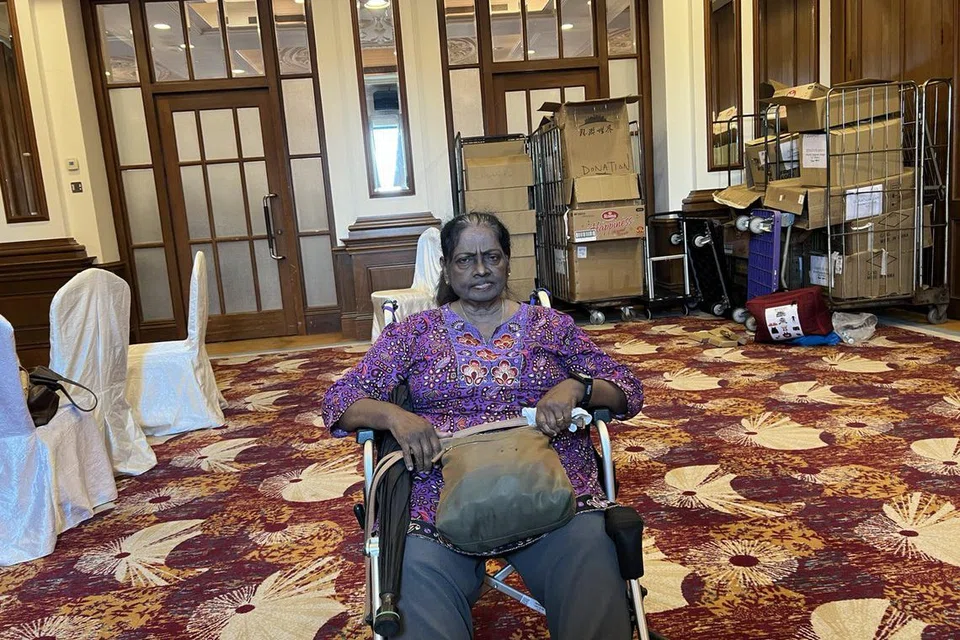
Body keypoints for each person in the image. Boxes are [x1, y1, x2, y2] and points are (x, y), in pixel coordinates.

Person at [322, 212, 644, 640]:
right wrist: (394, 416)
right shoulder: (413, 334)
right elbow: (339, 401)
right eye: (465, 260)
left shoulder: (551, 327)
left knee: (592, 553)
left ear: (508, 261)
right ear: (447, 267)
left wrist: (576, 388)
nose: (480, 270)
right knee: (413, 573)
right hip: (436, 495)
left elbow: (627, 389)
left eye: (492, 257)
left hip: (553, 483)